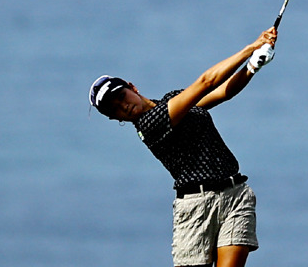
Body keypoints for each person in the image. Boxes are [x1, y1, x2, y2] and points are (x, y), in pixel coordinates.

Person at [90, 27, 278, 267]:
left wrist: (252, 66)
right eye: (113, 108)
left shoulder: (173, 99)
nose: (122, 106)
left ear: (132, 87)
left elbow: (221, 92)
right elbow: (207, 82)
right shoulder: (150, 125)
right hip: (195, 209)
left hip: (235, 195)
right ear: (113, 118)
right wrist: (251, 47)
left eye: (121, 96)